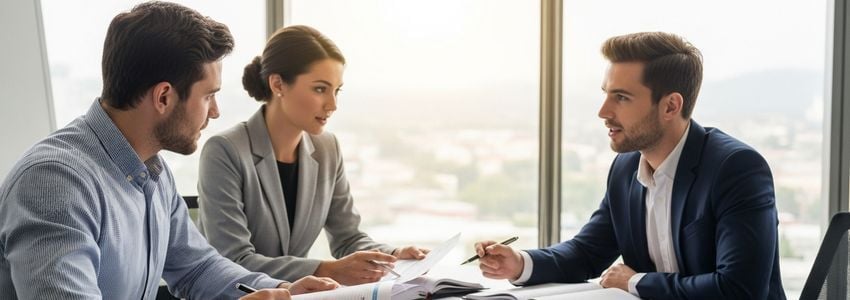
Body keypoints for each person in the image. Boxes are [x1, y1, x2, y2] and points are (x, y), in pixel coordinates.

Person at [0, 2, 338, 299]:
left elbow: (197, 268)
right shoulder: (54, 184)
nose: (215, 111)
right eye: (208, 96)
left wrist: (282, 290)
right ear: (163, 97)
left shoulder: (151, 172)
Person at [473, 32, 786, 299]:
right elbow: (587, 253)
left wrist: (635, 282)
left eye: (621, 98)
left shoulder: (735, 168)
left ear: (670, 106)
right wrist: (520, 262)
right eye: (606, 95)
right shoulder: (625, 169)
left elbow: (739, 289)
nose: (603, 111)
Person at [196, 25, 429, 286]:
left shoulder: (327, 148)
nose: (332, 104)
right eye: (320, 89)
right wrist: (325, 270)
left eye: (336, 90)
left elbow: (348, 238)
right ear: (277, 84)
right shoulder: (225, 151)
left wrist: (393, 256)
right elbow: (234, 260)